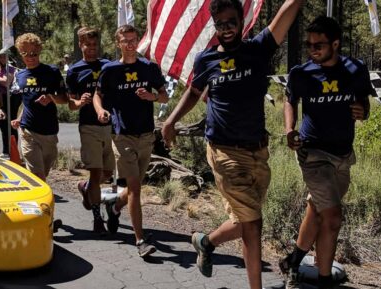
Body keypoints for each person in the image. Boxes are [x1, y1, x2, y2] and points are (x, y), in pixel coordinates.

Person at [159, 0, 304, 287]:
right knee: (252, 225)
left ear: (241, 21)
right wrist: (170, 121)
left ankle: (206, 242)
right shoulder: (207, 59)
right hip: (224, 151)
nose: (226, 29)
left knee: (246, 219)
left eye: (231, 22)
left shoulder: (257, 49)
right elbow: (194, 90)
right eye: (220, 24)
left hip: (258, 151)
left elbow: (283, 17)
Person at [277, 16, 371, 289]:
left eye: (319, 44)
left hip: (343, 154)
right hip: (312, 151)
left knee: (317, 211)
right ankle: (325, 280)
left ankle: (293, 262)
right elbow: (289, 100)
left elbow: (364, 101)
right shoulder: (301, 73)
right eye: (309, 44)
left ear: (336, 44)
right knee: (333, 217)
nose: (312, 49)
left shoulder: (356, 69)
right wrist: (289, 129)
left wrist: (363, 111)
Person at [94, 24, 169, 256]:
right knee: (135, 188)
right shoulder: (110, 70)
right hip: (122, 134)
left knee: (136, 187)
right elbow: (99, 95)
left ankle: (114, 206)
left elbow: (164, 95)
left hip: (146, 135)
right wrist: (100, 110)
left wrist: (152, 96)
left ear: (138, 41)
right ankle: (140, 240)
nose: (130, 44)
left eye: (133, 39)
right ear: (118, 43)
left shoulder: (149, 68)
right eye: (125, 40)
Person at [65, 26, 113, 235]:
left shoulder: (108, 66)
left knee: (108, 173)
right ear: (80, 45)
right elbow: (70, 104)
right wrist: (80, 102)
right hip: (89, 126)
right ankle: (97, 219)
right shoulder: (75, 70)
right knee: (96, 173)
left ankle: (86, 187)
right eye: (87, 44)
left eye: (94, 44)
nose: (91, 48)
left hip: (111, 125)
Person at [10, 33, 67, 179]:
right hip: (28, 129)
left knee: (44, 174)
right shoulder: (20, 75)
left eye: (34, 53)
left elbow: (64, 98)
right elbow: (26, 101)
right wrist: (19, 118)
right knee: (38, 176)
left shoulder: (51, 72)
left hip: (49, 131)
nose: (30, 57)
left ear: (39, 51)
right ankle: (37, 201)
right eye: (25, 53)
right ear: (20, 53)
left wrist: (50, 98)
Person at [0, 48, 18, 156]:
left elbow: (6, 82)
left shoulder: (10, 68)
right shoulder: (1, 69)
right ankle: (6, 151)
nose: (2, 58)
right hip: (1, 98)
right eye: (1, 56)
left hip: (10, 98)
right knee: (3, 125)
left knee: (10, 125)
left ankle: (13, 151)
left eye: (4, 56)